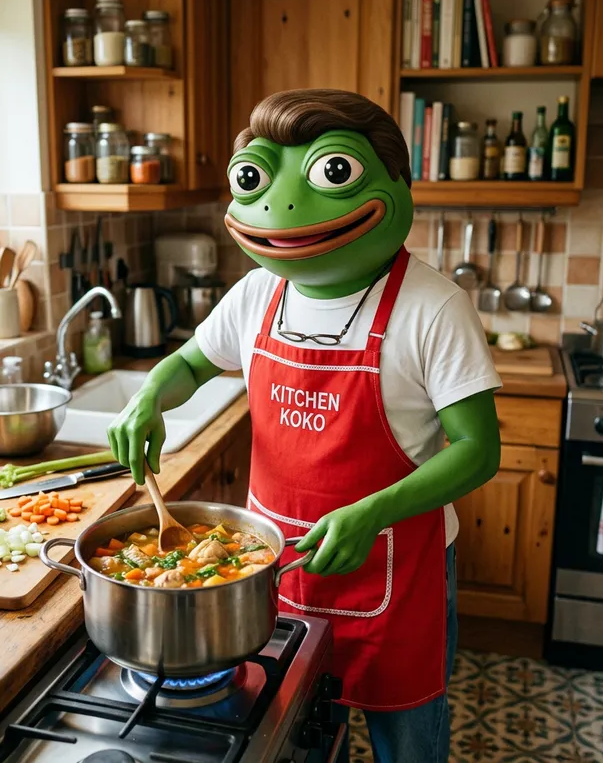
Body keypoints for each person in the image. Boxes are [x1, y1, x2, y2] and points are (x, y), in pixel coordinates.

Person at [108, 88, 502, 763]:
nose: (281, 206)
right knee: (302, 736)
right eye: (255, 177)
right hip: (275, 569)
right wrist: (149, 396)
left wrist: (372, 512)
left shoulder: (434, 307)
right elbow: (192, 363)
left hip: (397, 572)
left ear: (396, 185)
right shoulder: (258, 293)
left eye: (332, 172)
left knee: (408, 745)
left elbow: (477, 450)